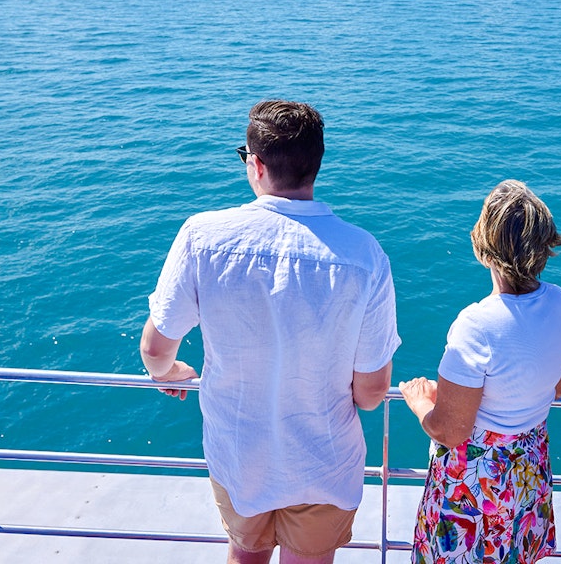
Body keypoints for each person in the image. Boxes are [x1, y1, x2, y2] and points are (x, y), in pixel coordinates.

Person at [139, 100, 401, 564]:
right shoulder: (365, 256)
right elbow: (372, 391)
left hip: (240, 455)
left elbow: (155, 348)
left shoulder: (203, 237)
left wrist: (171, 373)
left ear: (256, 164)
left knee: (245, 554)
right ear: (315, 166)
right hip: (325, 460)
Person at [400, 180, 561, 564]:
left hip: (476, 484)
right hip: (526, 472)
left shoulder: (477, 324)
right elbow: (559, 386)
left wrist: (420, 403)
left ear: (484, 246)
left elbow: (451, 431)